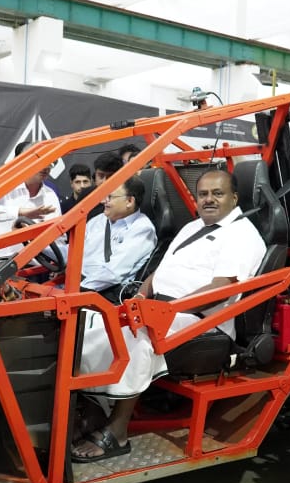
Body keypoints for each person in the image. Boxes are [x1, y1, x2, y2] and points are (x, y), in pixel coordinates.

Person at [72, 169, 266, 462]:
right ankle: (95, 408)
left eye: (218, 193)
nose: (209, 200)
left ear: (234, 197)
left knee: (133, 334)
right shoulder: (192, 227)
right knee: (89, 323)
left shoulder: (243, 235)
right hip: (165, 310)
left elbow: (222, 288)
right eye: (203, 194)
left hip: (203, 321)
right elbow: (159, 272)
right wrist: (141, 296)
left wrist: (165, 310)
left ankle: (119, 430)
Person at [0, 141, 61, 259]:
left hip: (38, 266)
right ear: (21, 162)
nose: (46, 167)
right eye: (40, 160)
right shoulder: (0, 187)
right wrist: (19, 212)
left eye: (50, 162)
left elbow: (57, 235)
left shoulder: (50, 195)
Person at [80, 175, 156, 295]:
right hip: (76, 283)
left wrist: (78, 290)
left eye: (110, 197)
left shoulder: (142, 229)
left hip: (100, 293)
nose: (103, 201)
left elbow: (111, 274)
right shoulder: (98, 220)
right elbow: (71, 252)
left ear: (129, 201)